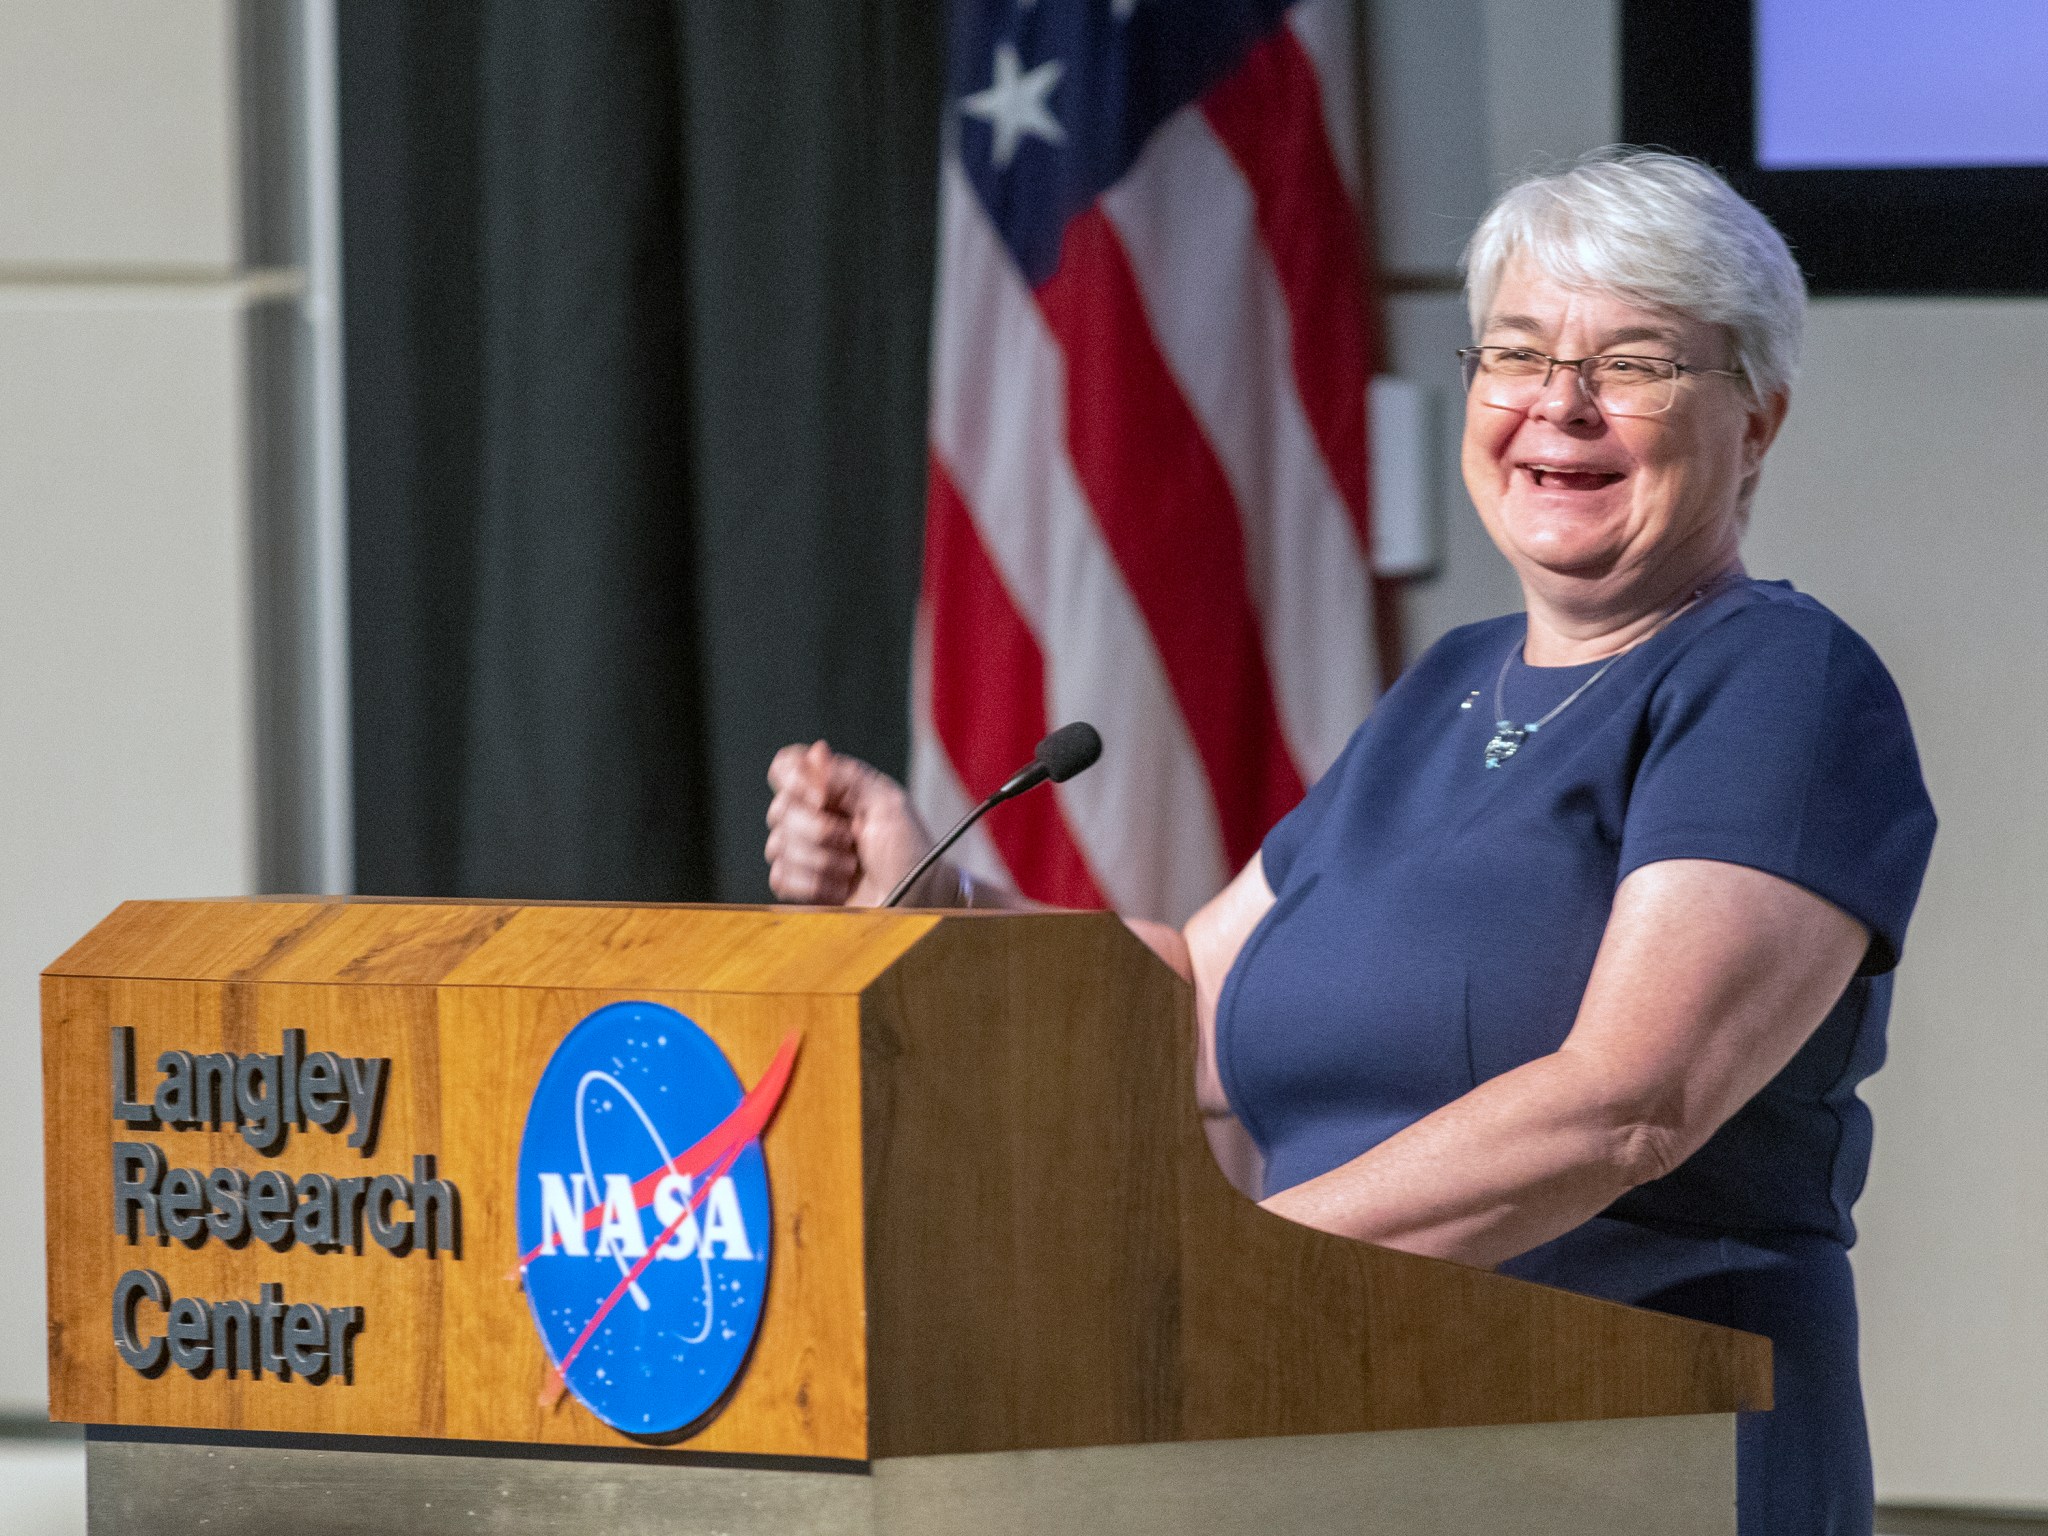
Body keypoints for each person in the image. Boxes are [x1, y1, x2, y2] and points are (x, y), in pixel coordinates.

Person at [763, 150, 1936, 1536]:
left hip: (1639, 1459)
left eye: (1634, 363)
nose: (1557, 405)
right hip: (1353, 1447)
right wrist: (939, 891)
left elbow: (1630, 1102)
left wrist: (1229, 1274)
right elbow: (1183, 1016)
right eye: (1516, 352)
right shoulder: (1448, 686)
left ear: (1756, 420)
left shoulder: (1776, 680)